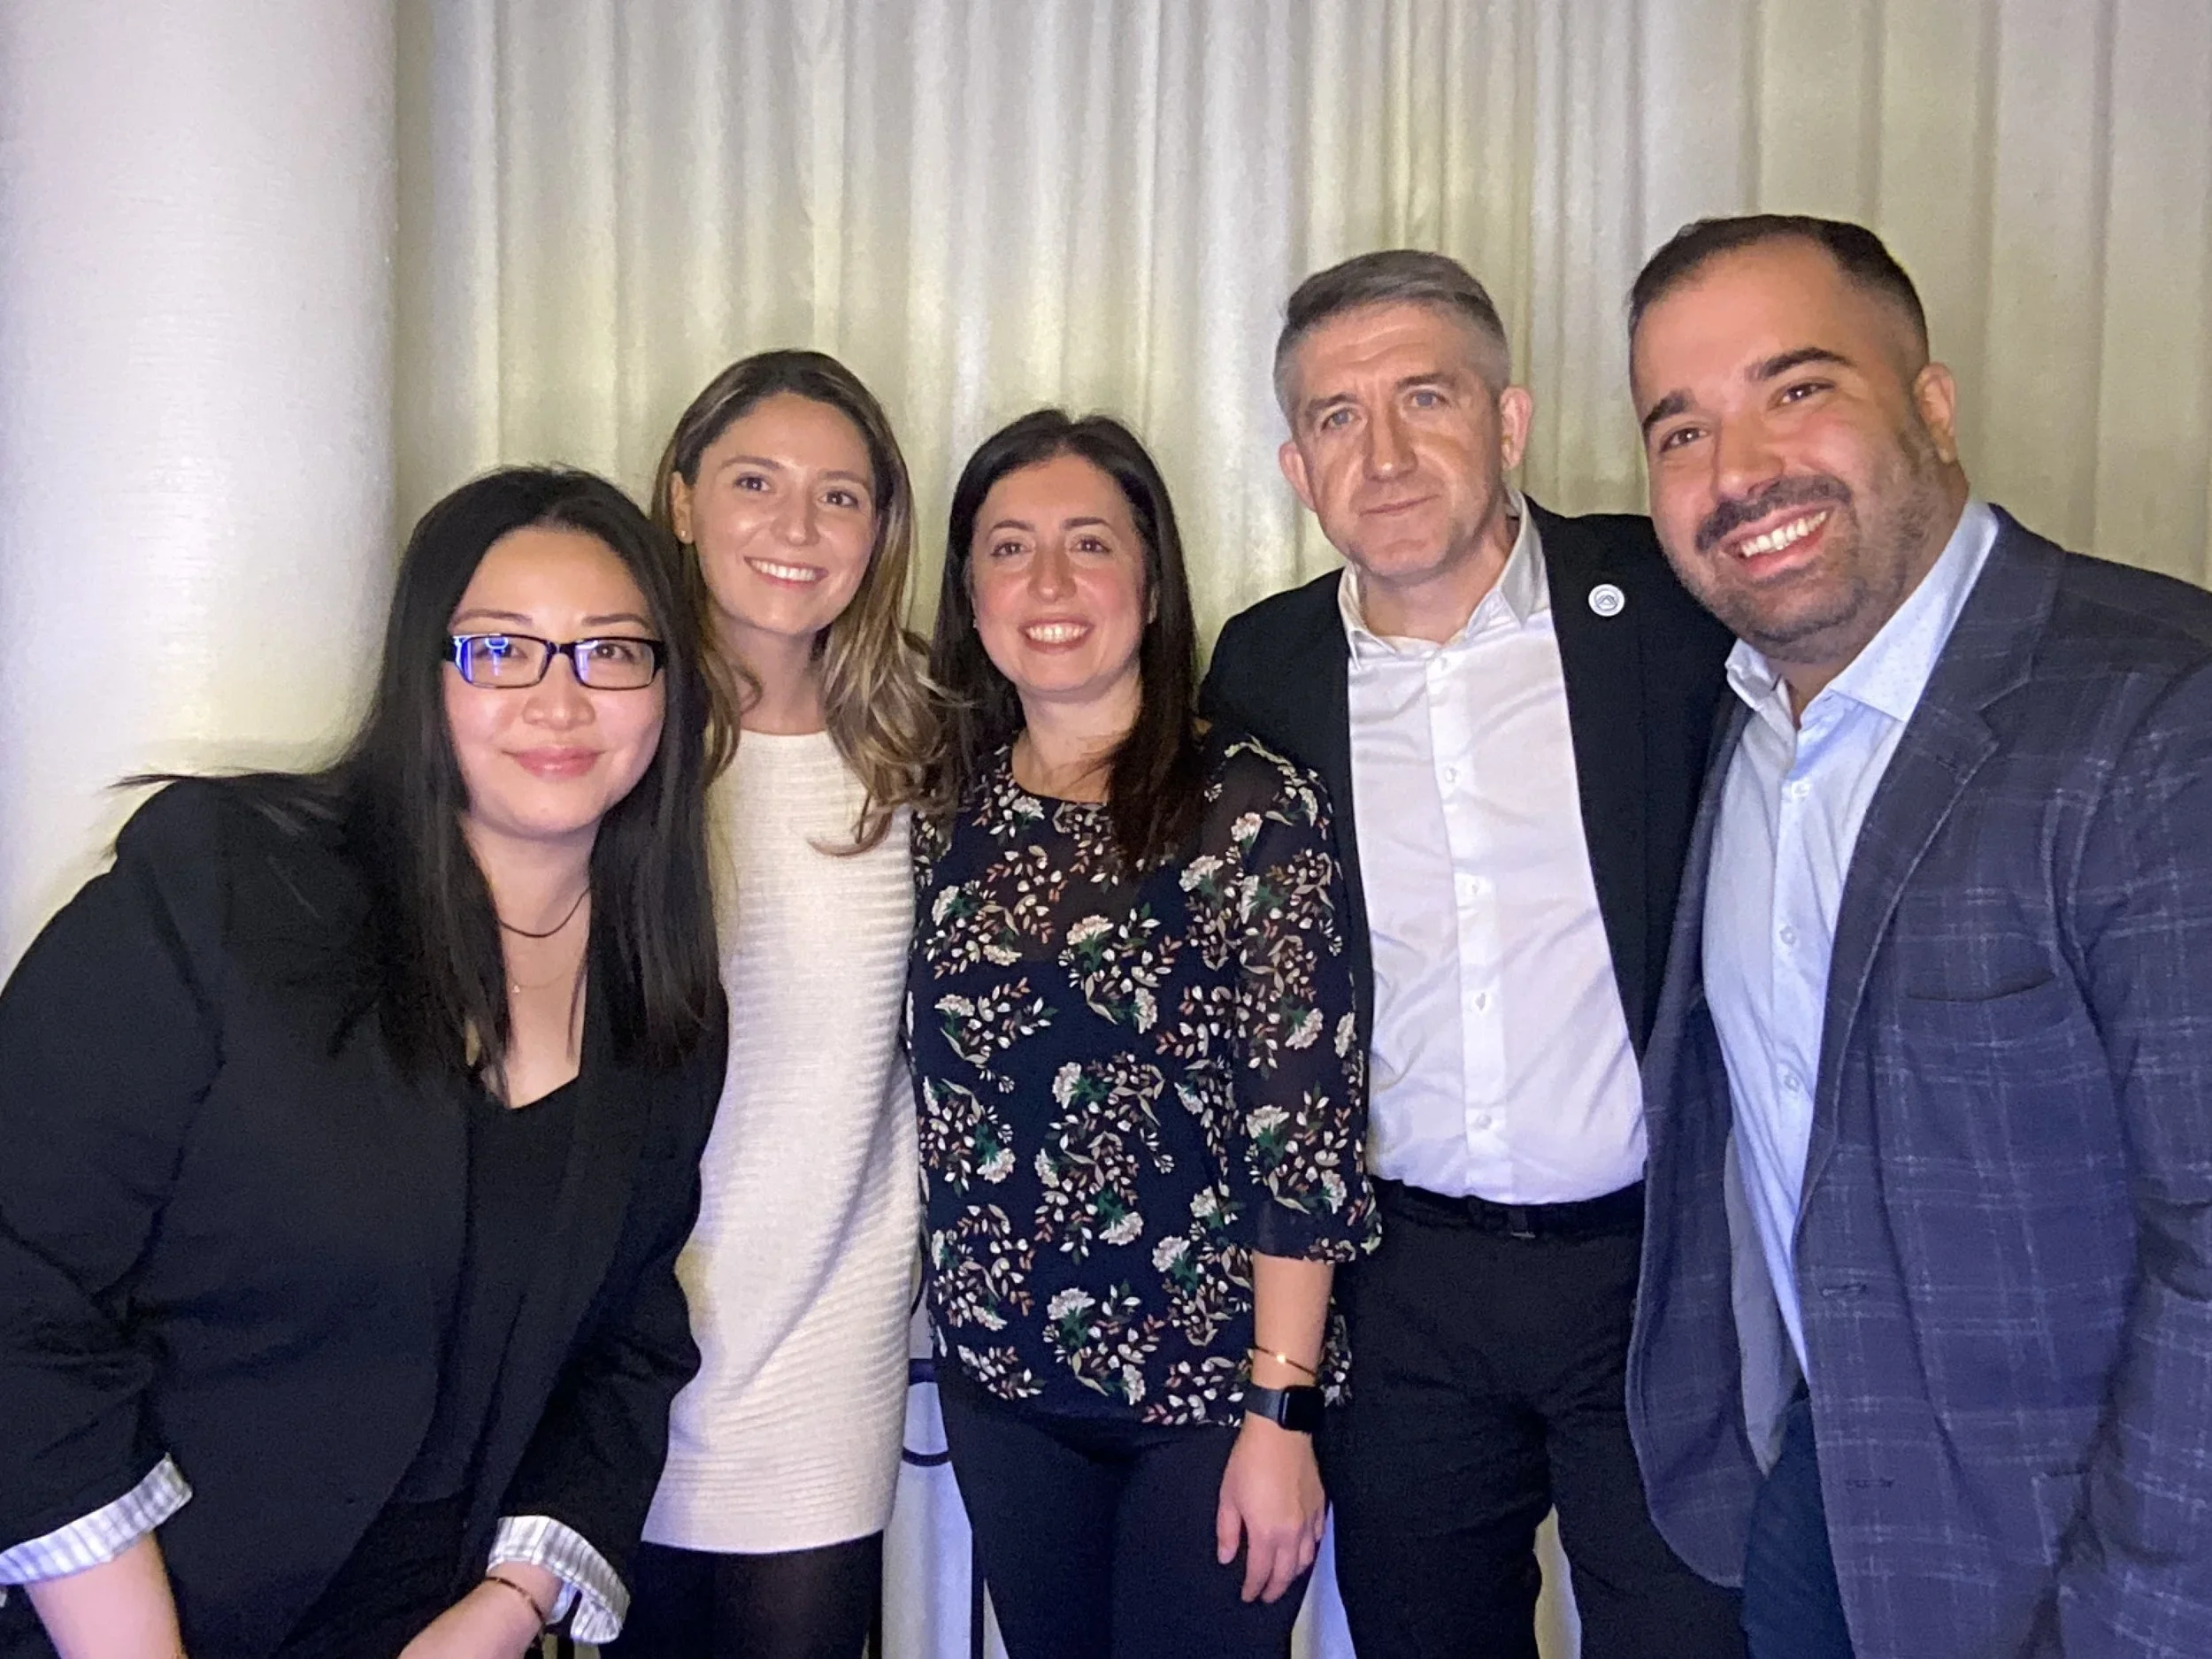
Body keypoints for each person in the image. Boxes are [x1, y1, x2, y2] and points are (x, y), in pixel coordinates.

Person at [0, 467, 729, 1658]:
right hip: (145, 1613)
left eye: (612, 651)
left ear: (668, 692)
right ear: (424, 677)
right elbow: (18, 1279)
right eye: (502, 650)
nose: (560, 698)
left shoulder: (669, 1007)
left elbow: (628, 1340)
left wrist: (505, 1610)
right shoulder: (226, 887)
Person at [1624, 213, 2212, 1658]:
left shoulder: (2154, 716)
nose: (1741, 468)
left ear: (1932, 404)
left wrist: (2134, 1618)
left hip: (2078, 1561)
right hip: (1817, 1502)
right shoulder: (1742, 720)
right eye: (1681, 429)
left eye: (1798, 388)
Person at [1202, 249, 1742, 1658]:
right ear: (1294, 464)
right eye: (1335, 416)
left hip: (1653, 1271)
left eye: (1424, 397)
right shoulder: (1260, 671)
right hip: (1409, 1288)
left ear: (1508, 421)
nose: (1381, 453)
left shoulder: (1668, 601)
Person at [910, 409, 1377, 1659]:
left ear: (1154, 581)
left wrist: (1282, 1411)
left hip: (1211, 1397)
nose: (1049, 584)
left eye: (1088, 544)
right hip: (1004, 1384)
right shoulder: (940, 806)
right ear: (969, 588)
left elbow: (1305, 1134)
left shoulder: (1251, 809)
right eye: (1009, 548)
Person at [610, 349, 934, 1659]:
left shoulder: (920, 740)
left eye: (841, 496)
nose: (798, 529)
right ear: (682, 499)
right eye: (756, 481)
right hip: (628, 1333)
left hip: (829, 1335)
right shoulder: (605, 733)